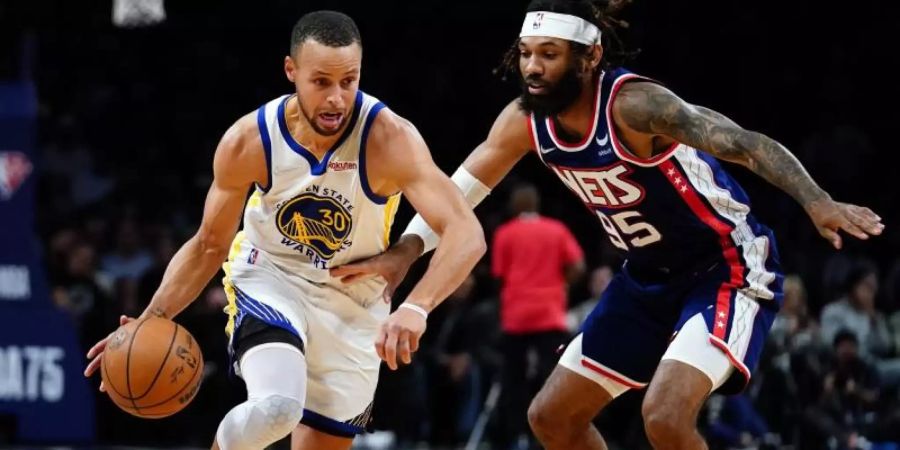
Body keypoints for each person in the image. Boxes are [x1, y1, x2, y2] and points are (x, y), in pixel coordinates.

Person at [334, 0, 884, 448]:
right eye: (526, 54)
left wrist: (817, 200)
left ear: (590, 56)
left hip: (726, 265)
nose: (532, 67)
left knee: (665, 416)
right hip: (645, 277)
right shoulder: (524, 121)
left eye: (549, 54)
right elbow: (459, 194)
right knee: (551, 418)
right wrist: (405, 252)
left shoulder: (636, 106)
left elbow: (743, 143)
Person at [82, 10, 485, 450]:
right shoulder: (249, 141)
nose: (336, 98)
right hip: (271, 277)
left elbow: (466, 232)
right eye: (321, 82)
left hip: (354, 298)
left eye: (348, 81)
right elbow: (208, 245)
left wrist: (417, 308)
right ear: (291, 71)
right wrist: (150, 319)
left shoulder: (389, 139)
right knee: (277, 407)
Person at [491, 182, 584, 448]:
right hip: (549, 313)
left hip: (516, 316)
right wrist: (561, 283)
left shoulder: (505, 233)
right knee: (549, 380)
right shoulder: (556, 230)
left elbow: (499, 276)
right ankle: (546, 439)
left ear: (514, 206)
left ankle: (514, 439)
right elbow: (578, 265)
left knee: (513, 383)